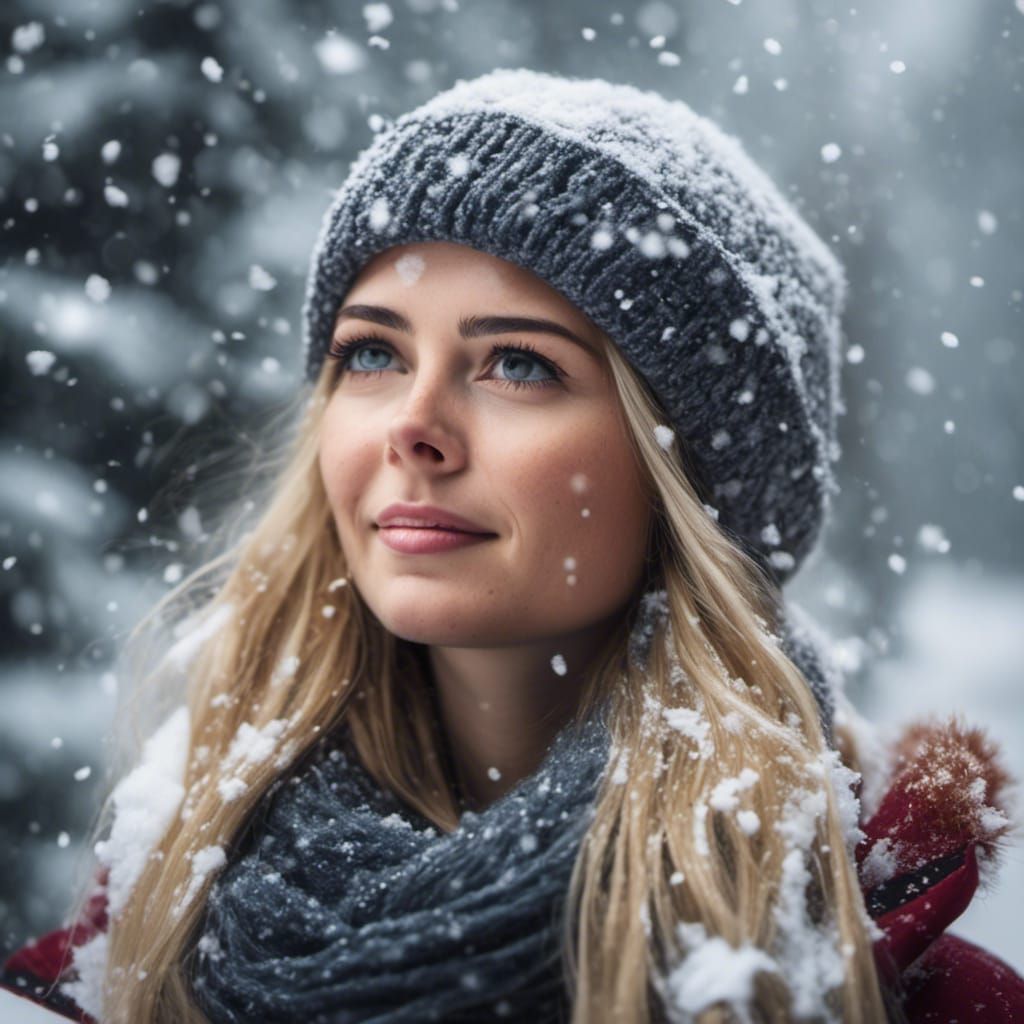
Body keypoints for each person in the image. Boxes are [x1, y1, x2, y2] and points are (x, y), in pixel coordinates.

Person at [2, 68, 1022, 1024]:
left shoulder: (894, 989)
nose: (414, 422)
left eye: (518, 365)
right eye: (372, 352)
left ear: (690, 479)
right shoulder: (131, 950)